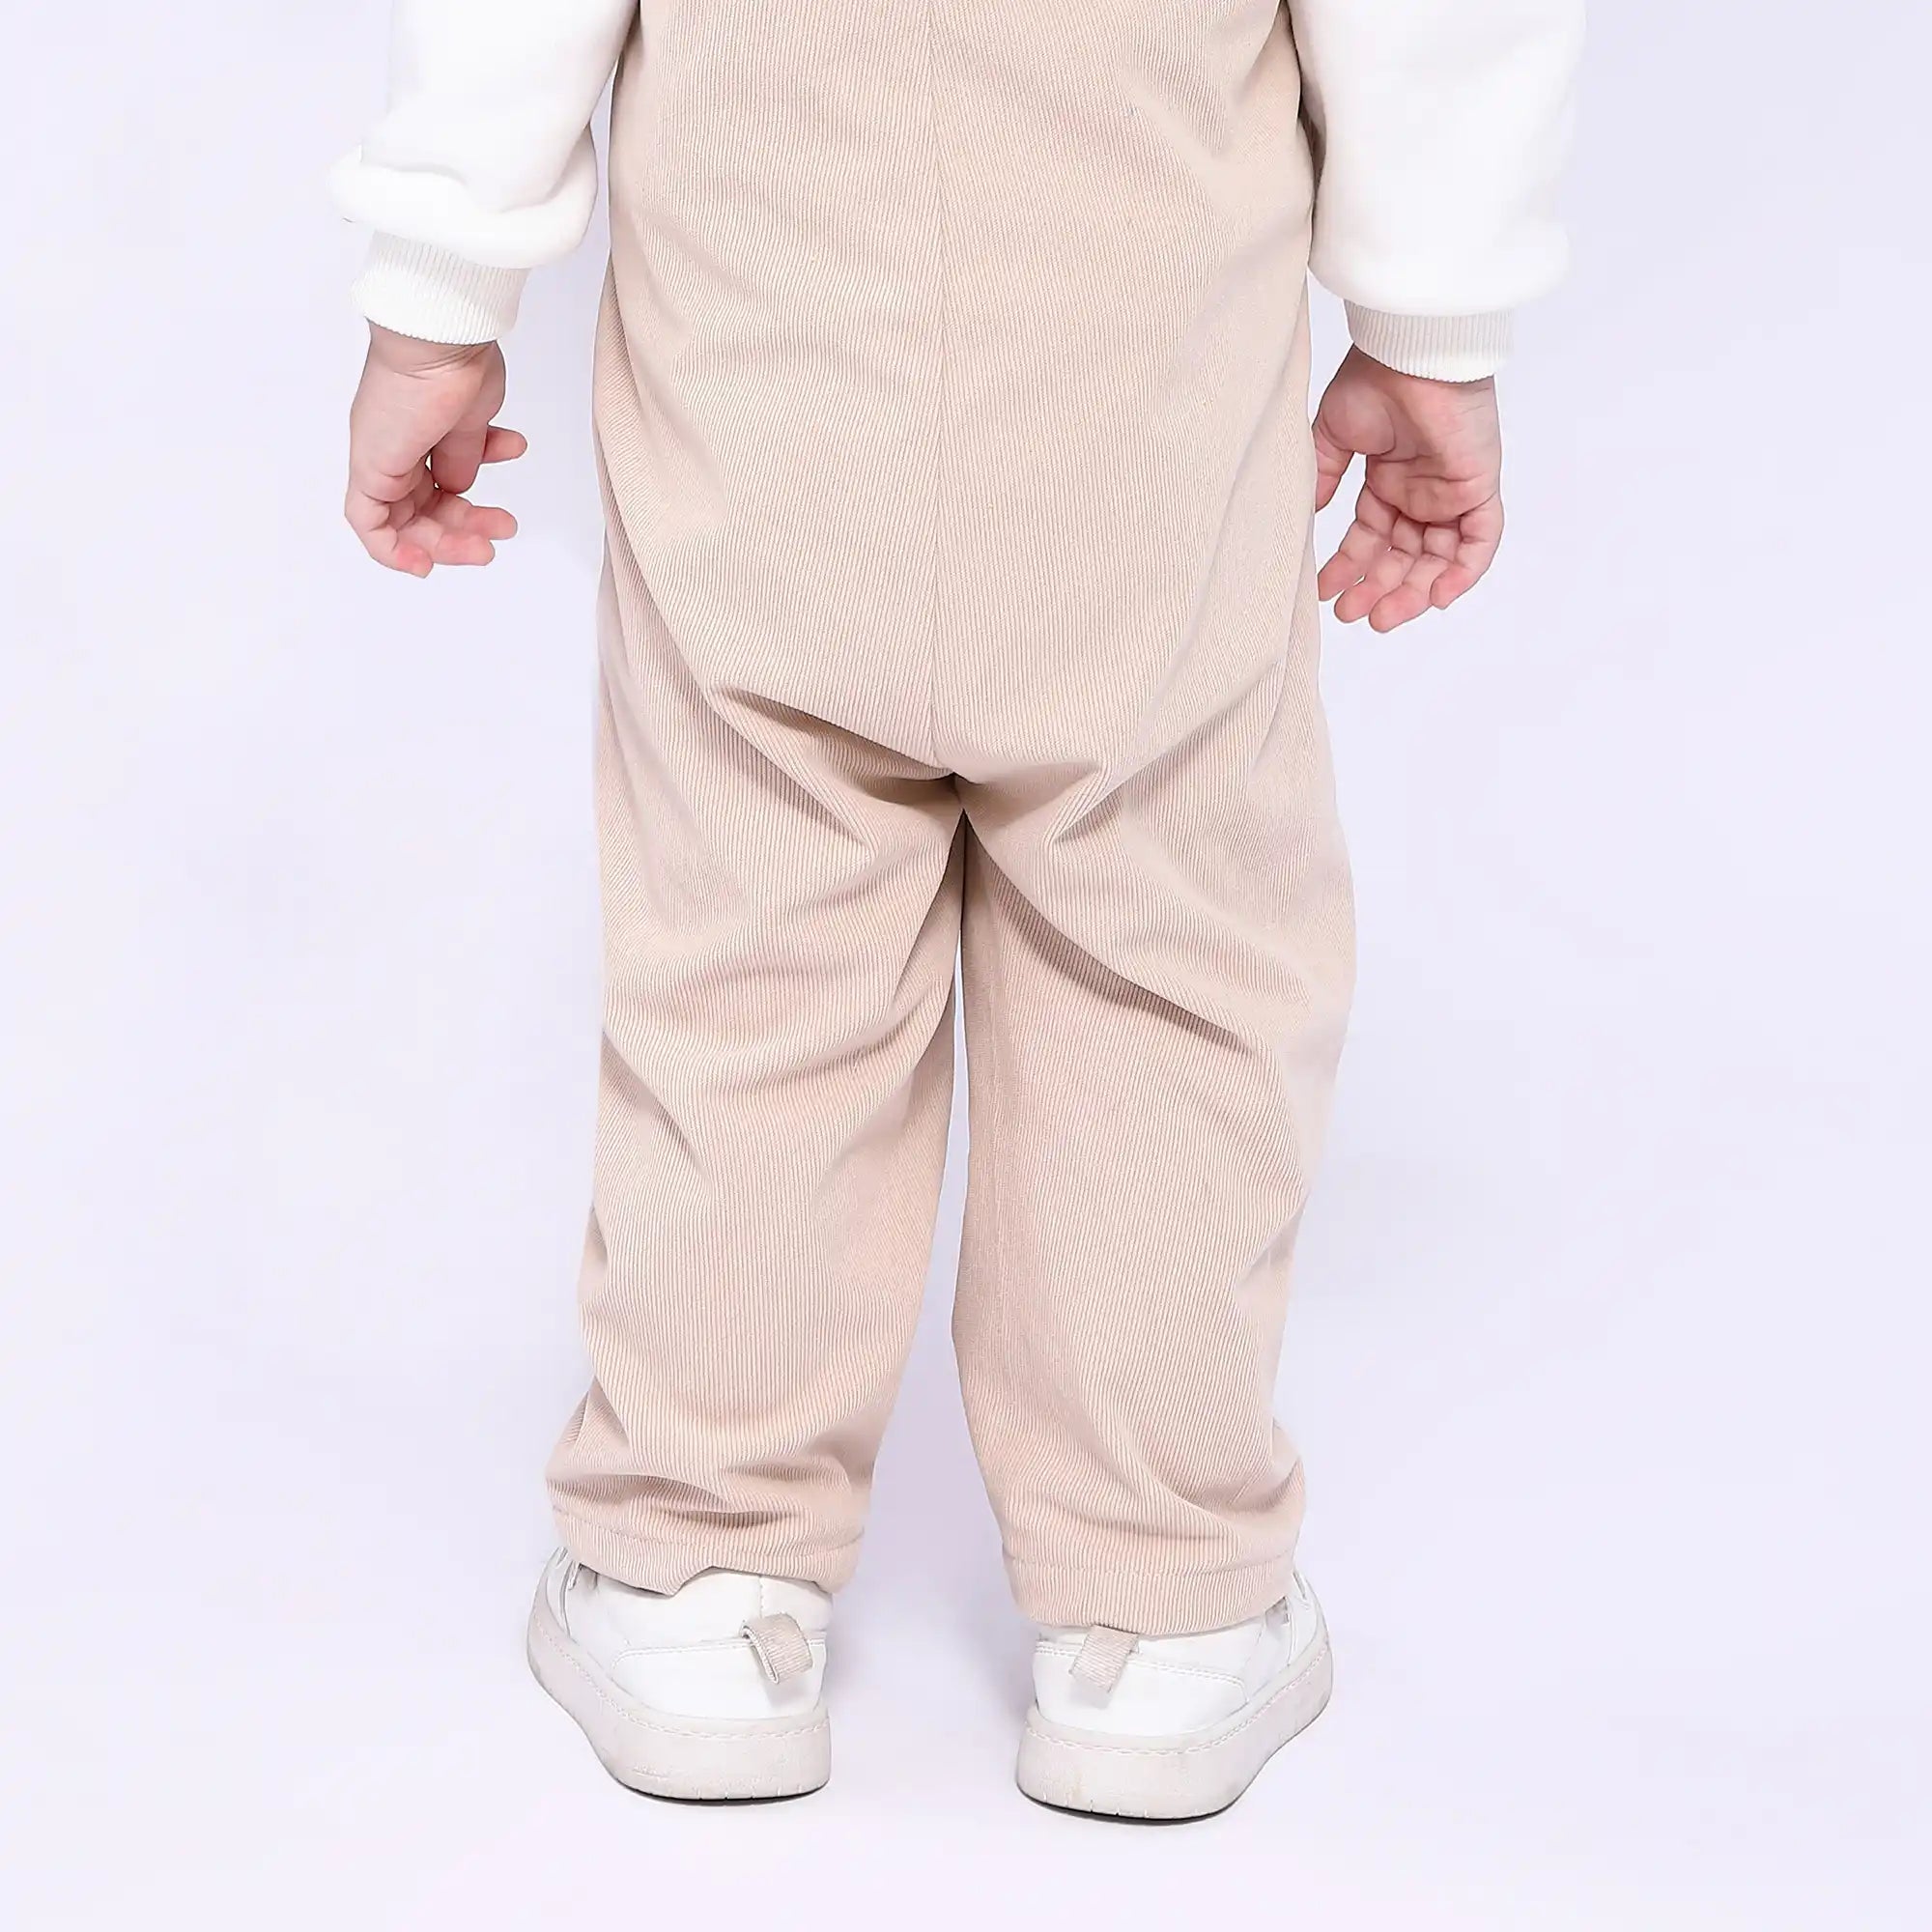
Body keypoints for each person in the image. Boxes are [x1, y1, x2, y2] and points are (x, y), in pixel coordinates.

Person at [335, 0, 1580, 1818]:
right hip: (1140, 363)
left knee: (748, 942)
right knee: (1168, 953)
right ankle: (1162, 1605)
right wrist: (1431, 321)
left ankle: (698, 1573)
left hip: (771, 339)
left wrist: (438, 292)